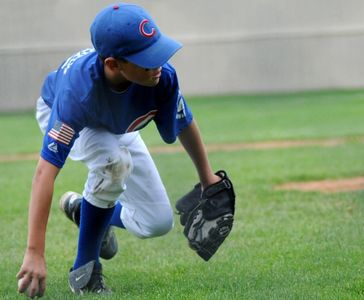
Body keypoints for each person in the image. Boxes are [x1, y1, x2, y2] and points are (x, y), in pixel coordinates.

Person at [16, 3, 224, 297]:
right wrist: (34, 251)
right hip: (67, 114)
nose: (158, 65)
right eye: (146, 59)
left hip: (115, 123)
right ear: (113, 64)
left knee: (157, 222)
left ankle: (82, 210)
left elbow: (184, 121)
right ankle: (85, 273)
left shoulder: (160, 77)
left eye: (158, 52)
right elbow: (44, 172)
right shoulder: (76, 94)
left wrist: (207, 178)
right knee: (114, 163)